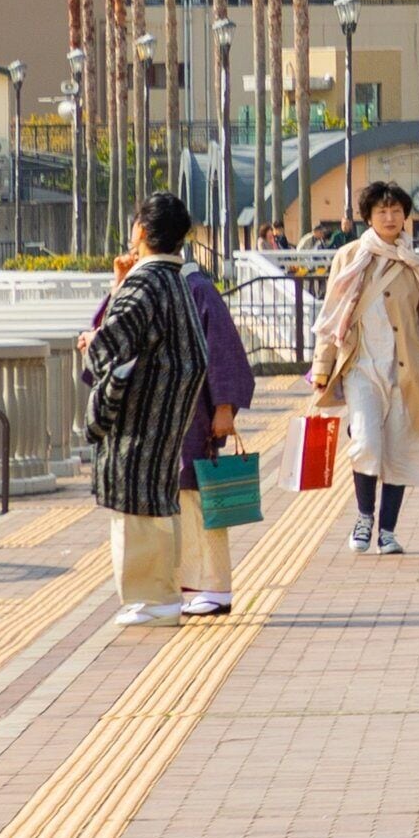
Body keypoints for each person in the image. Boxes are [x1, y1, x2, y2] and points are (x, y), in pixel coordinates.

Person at [311, 181, 419, 555]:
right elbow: (331, 315)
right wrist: (321, 367)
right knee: (365, 442)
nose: (390, 217)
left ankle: (387, 531)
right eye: (382, 211)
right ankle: (364, 516)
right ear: (368, 217)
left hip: (407, 372)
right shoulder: (348, 257)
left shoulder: (417, 264)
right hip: (360, 367)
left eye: (396, 211)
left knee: (400, 450)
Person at [85, 193, 214, 627]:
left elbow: (110, 343)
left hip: (143, 413)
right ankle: (161, 593)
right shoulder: (176, 279)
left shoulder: (146, 283)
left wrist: (89, 343)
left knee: (136, 504)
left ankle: (151, 597)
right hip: (170, 409)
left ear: (140, 230)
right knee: (159, 501)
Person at [174, 246, 257, 617]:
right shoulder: (158, 285)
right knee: (175, 501)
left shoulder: (197, 288)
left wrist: (223, 407)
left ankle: (214, 584)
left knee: (198, 495)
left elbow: (224, 351)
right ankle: (183, 584)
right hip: (167, 415)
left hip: (192, 412)